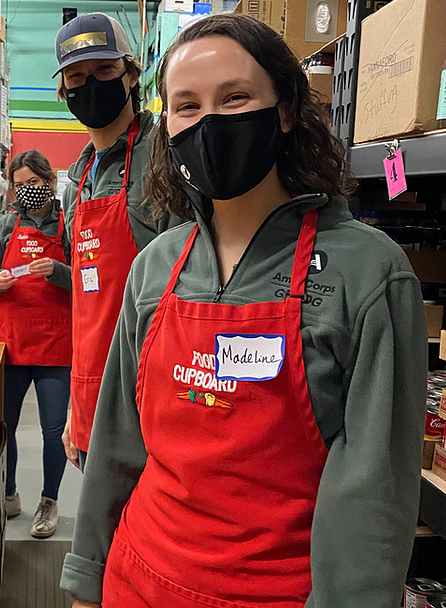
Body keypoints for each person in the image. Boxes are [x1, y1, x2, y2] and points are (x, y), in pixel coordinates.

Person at [59, 13, 427, 608]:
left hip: (276, 593)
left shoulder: (369, 275)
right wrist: (86, 578)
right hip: (139, 579)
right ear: (168, 125)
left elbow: (373, 493)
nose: (209, 123)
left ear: (284, 110)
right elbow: (116, 445)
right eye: (187, 106)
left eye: (235, 98)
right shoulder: (156, 267)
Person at [52, 12, 180, 470]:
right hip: (91, 392)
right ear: (64, 91)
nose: (90, 85)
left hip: (151, 398)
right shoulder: (78, 175)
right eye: (77, 77)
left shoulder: (164, 155)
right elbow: (88, 305)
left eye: (104, 71)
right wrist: (76, 404)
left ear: (131, 74)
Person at [0, 149, 72, 539]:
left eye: (33, 183)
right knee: (7, 426)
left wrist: (59, 271)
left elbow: (90, 280)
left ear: (49, 182)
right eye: (19, 185)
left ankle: (49, 502)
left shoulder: (72, 224)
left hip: (56, 343)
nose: (27, 191)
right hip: (13, 342)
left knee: (54, 432)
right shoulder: (6, 224)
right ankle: (10, 492)